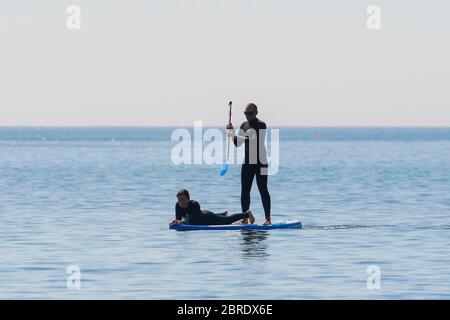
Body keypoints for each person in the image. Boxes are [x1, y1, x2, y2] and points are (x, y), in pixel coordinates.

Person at [227, 103, 272, 225]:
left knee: (263, 189)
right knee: (244, 191)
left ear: (256, 113)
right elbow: (238, 143)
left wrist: (235, 134)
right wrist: (231, 134)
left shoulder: (261, 125)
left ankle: (268, 219)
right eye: (245, 113)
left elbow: (253, 139)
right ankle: (245, 218)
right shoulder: (244, 125)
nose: (247, 115)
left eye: (250, 113)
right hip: (247, 162)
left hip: (261, 162)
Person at [170, 189, 255, 226]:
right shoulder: (178, 205)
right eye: (179, 200)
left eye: (183, 200)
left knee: (227, 221)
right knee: (222, 217)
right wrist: (176, 222)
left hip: (207, 218)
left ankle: (246, 214)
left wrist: (181, 222)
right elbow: (178, 219)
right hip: (199, 216)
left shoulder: (194, 204)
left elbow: (195, 222)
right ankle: (223, 214)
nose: (181, 202)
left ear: (188, 199)